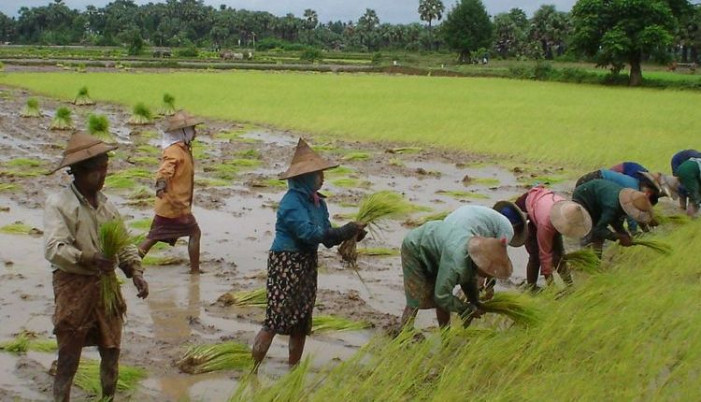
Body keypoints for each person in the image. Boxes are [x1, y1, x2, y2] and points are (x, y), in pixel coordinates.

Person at [44, 133, 149, 402]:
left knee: (111, 349)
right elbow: (54, 249)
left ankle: (108, 398)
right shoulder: (60, 204)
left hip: (106, 287)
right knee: (68, 355)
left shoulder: (107, 206)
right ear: (78, 172)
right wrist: (88, 258)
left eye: (105, 169)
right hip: (74, 287)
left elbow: (123, 243)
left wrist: (135, 272)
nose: (103, 176)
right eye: (98, 170)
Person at [252, 138, 366, 369]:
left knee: (301, 321)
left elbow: (326, 238)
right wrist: (342, 231)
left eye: (322, 173)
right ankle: (252, 371)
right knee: (275, 318)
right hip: (286, 262)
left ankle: (293, 371)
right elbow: (309, 234)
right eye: (317, 173)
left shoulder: (318, 203)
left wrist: (350, 235)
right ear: (303, 177)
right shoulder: (291, 203)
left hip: (306, 263)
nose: (322, 177)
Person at [398, 205, 515, 331]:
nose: (490, 275)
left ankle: (445, 333)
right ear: (481, 263)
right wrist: (465, 309)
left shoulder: (471, 258)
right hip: (415, 248)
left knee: (443, 293)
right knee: (416, 298)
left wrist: (475, 302)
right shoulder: (456, 262)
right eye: (489, 271)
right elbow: (441, 296)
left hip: (438, 250)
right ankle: (404, 333)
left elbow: (468, 282)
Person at [139, 110, 203, 274]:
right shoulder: (174, 151)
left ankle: (130, 263)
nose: (195, 132)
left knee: (153, 237)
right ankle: (195, 273)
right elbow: (164, 171)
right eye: (192, 129)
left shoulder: (183, 148)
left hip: (172, 205)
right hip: (174, 206)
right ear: (183, 132)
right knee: (195, 232)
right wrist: (161, 186)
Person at [514, 185, 592, 290]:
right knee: (535, 254)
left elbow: (556, 253)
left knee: (559, 255)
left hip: (543, 205)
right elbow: (544, 254)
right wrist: (551, 287)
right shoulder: (546, 223)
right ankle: (531, 287)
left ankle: (570, 286)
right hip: (528, 209)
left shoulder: (568, 209)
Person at [572, 179, 654, 258]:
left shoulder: (621, 205)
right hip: (583, 197)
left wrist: (624, 235)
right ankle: (586, 258)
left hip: (598, 201)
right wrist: (617, 237)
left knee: (599, 235)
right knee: (588, 231)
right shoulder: (612, 207)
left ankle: (596, 259)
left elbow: (616, 222)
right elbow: (599, 229)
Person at [575, 168, 662, 232]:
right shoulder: (633, 192)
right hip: (590, 185)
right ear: (648, 194)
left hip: (598, 184)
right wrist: (634, 232)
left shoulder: (636, 187)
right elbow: (630, 213)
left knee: (610, 217)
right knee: (591, 222)